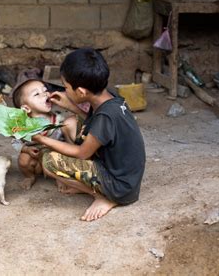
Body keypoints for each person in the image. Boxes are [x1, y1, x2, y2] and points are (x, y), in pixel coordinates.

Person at [31, 48, 146, 222]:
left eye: (67, 87)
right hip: (126, 174)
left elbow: (82, 153)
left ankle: (103, 197)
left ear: (82, 92)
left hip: (120, 187)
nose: (65, 91)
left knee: (48, 161)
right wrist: (70, 106)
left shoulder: (106, 116)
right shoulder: (111, 99)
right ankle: (94, 187)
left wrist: (42, 139)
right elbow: (97, 124)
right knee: (75, 123)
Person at [11, 78, 78, 190]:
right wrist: (26, 150)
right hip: (36, 160)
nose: (44, 94)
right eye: (37, 94)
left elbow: (66, 141)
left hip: (55, 159)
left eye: (45, 90)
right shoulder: (23, 127)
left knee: (61, 157)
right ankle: (29, 177)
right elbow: (15, 142)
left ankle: (60, 178)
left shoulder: (58, 119)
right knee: (23, 159)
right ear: (26, 108)